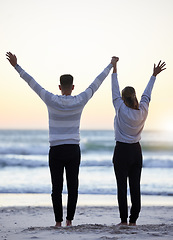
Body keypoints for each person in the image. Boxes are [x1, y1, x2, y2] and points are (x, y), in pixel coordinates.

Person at [6, 52, 113, 227]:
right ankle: (69, 221)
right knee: (73, 187)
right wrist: (110, 65)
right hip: (73, 149)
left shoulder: (51, 99)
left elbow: (32, 83)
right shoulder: (80, 99)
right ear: (72, 87)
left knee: (56, 188)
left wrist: (16, 66)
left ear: (59, 86)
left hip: (56, 150)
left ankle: (58, 222)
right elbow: (96, 83)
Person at [111, 56, 166, 226]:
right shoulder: (143, 109)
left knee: (122, 187)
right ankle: (133, 220)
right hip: (136, 151)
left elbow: (114, 87)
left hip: (121, 151)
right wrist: (153, 75)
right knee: (135, 186)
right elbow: (147, 94)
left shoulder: (120, 108)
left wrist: (114, 67)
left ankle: (123, 220)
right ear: (134, 97)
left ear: (122, 98)